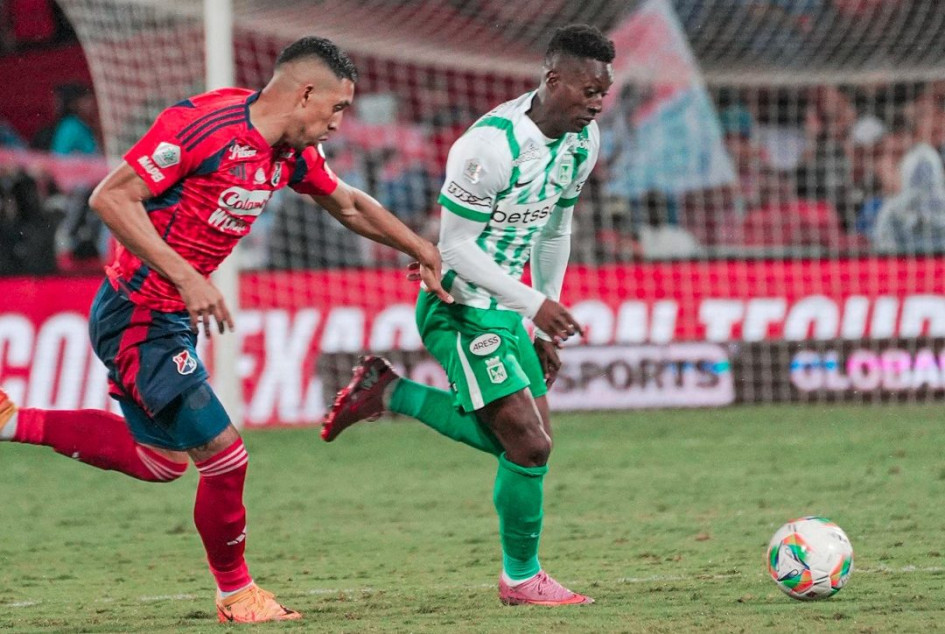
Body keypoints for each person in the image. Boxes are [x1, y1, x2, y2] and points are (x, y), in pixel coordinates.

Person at [0, 36, 450, 624]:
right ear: (305, 93)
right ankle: (237, 594)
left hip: (168, 317)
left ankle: (10, 420)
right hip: (140, 313)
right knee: (226, 456)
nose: (340, 124)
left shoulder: (288, 152)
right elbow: (112, 198)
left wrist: (420, 246)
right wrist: (188, 278)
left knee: (159, 461)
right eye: (337, 109)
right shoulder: (203, 126)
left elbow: (346, 204)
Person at [321, 24, 614, 606]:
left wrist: (537, 315)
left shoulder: (584, 140)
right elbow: (453, 249)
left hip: (508, 312)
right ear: (553, 80)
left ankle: (390, 392)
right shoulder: (488, 148)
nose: (597, 103)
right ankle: (521, 578)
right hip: (458, 307)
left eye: (603, 93)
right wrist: (536, 302)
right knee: (529, 447)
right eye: (587, 91)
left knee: (533, 445)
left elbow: (557, 226)